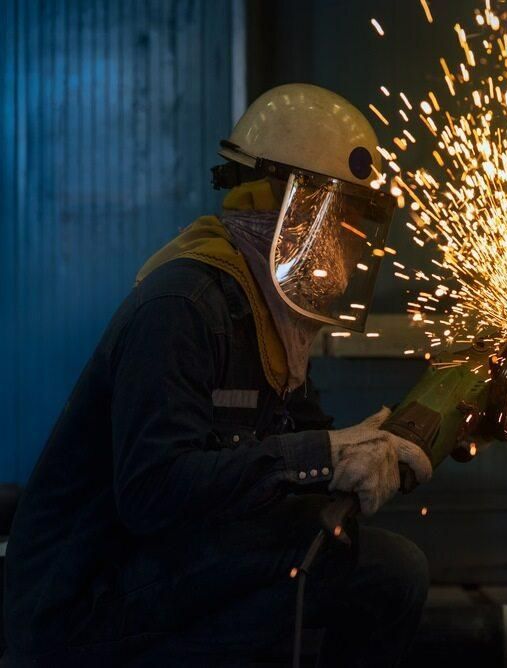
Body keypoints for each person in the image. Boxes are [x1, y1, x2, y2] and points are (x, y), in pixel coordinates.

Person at [4, 84, 433, 666]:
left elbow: (299, 448)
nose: (351, 246)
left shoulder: (266, 316)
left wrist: (376, 443)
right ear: (292, 208)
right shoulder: (184, 308)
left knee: (370, 562)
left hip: (156, 564)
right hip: (82, 602)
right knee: (371, 569)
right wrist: (324, 454)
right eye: (343, 220)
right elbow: (152, 492)